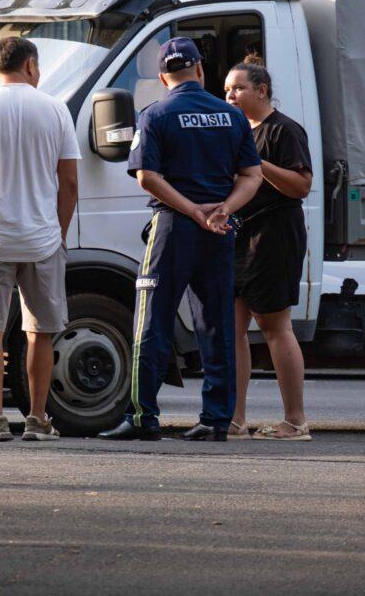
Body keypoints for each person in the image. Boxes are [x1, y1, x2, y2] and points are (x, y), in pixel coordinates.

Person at [98, 37, 263, 442]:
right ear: (200, 70)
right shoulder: (231, 116)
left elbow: (147, 177)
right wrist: (223, 209)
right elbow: (252, 176)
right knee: (217, 324)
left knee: (152, 320)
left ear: (162, 76)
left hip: (175, 226)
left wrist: (192, 210)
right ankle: (216, 420)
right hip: (219, 229)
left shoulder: (155, 114)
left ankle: (142, 417)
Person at [0, 36, 80, 442]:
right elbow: (70, 182)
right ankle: (38, 420)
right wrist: (57, 233)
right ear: (30, 66)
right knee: (39, 331)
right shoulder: (56, 110)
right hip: (41, 237)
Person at [224, 56, 313, 441]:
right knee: (233, 329)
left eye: (238, 88)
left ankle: (296, 421)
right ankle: (234, 419)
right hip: (237, 236)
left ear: (261, 91)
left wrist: (258, 164)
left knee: (275, 327)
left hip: (275, 236)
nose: (230, 95)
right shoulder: (234, 130)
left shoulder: (285, 130)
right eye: (227, 89)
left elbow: (301, 185)